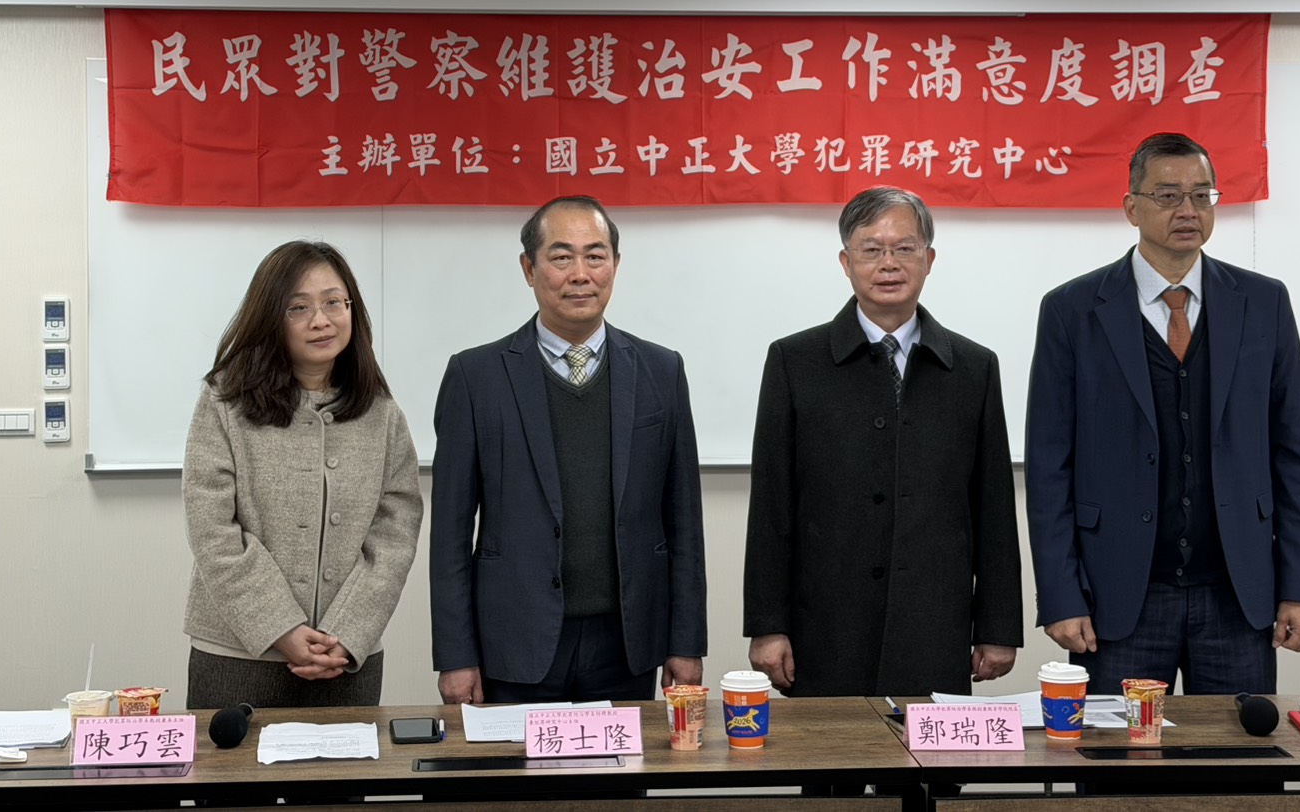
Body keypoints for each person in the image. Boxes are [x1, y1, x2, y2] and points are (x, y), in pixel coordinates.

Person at [1026, 132, 1300, 696]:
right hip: (1119, 597)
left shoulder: (1264, 302)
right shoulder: (1072, 310)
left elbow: (1296, 456)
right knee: (1119, 752)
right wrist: (1061, 596)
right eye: (1167, 196)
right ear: (1131, 207)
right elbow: (1048, 468)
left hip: (1238, 595)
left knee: (1236, 751)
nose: (1188, 210)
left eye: (1201, 195)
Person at [744, 186, 1023, 698]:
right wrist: (767, 625)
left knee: (927, 751)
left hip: (935, 623)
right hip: (824, 624)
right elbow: (771, 505)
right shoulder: (795, 361)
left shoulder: (974, 367)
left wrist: (998, 626)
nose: (888, 264)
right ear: (846, 262)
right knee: (832, 750)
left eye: (904, 248)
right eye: (872, 249)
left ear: (929, 260)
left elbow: (993, 508)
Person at [430, 195, 707, 704]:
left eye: (595, 256)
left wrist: (686, 642)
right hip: (514, 642)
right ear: (529, 268)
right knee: (518, 762)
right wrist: (455, 654)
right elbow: (449, 532)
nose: (580, 274)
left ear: (615, 265)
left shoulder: (661, 371)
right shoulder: (476, 376)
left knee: (622, 760)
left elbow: (683, 519)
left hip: (628, 644)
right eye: (561, 257)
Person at [183, 240, 423, 709]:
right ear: (270, 317)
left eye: (334, 302)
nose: (321, 320)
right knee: (230, 762)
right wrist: (280, 627)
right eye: (299, 308)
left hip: (344, 656)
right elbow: (212, 529)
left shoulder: (382, 412)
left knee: (344, 762)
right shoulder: (224, 402)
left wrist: (349, 631)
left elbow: (396, 531)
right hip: (237, 656)